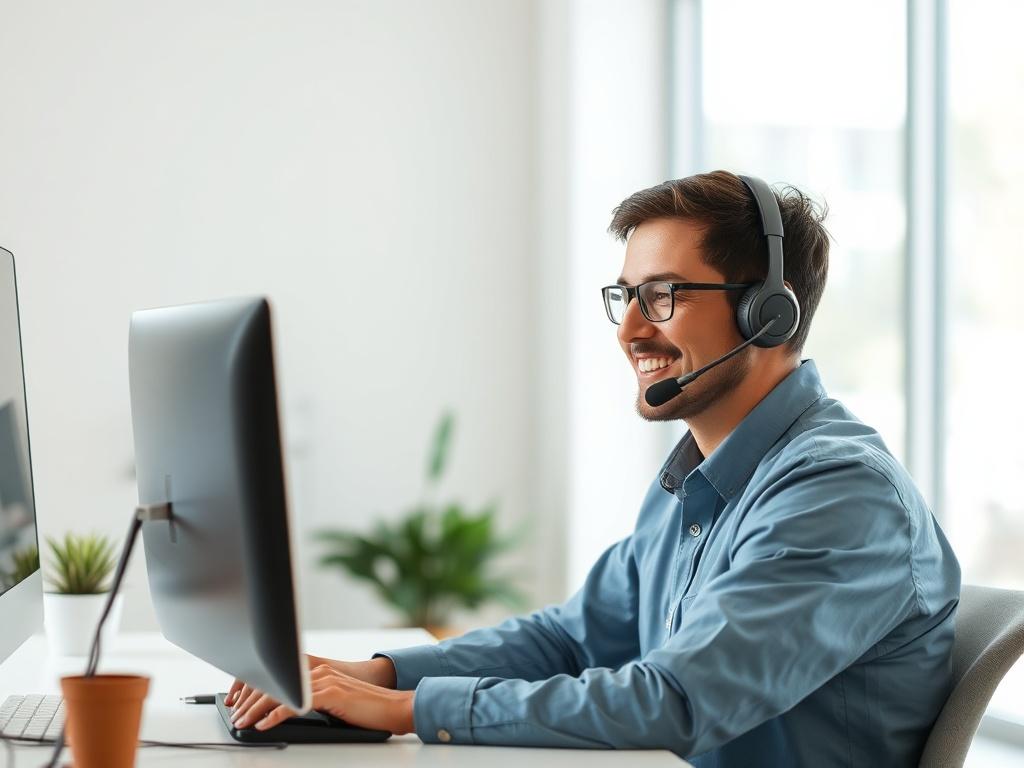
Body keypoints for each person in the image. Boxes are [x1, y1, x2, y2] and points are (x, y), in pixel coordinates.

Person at [227, 171, 960, 767]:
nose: (633, 330)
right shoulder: (699, 481)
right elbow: (573, 640)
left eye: (664, 296)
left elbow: (677, 701)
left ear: (767, 316)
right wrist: (378, 674)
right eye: (626, 298)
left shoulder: (838, 494)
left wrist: (408, 711)